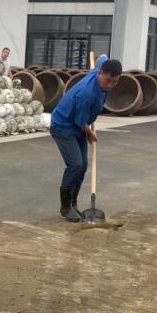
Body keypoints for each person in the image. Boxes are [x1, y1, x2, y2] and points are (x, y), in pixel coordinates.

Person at [49, 55, 122, 222]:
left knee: (83, 166)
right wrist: (90, 133)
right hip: (63, 126)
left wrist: (98, 61)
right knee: (75, 164)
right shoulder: (87, 94)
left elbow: (102, 57)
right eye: (107, 80)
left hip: (77, 126)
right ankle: (65, 207)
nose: (110, 85)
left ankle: (73, 203)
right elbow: (80, 121)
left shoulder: (100, 69)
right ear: (100, 74)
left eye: (115, 82)